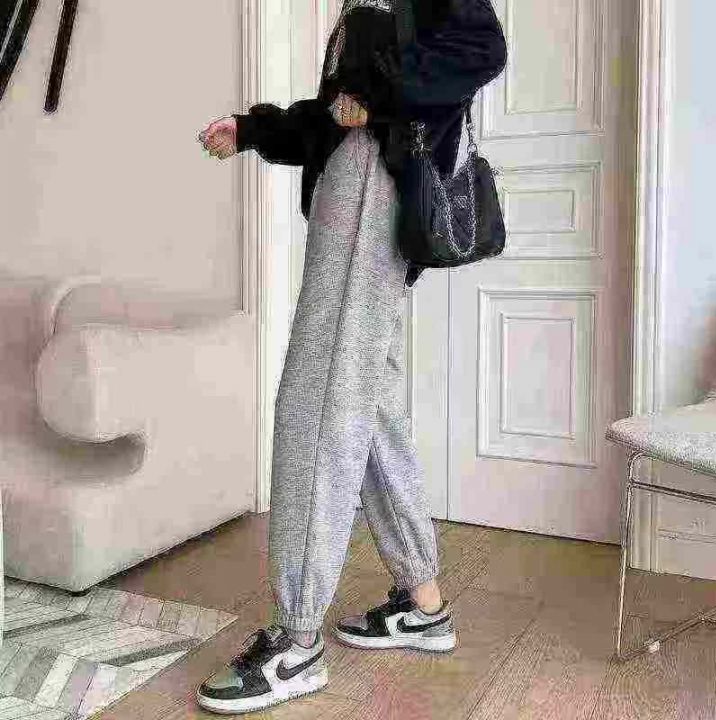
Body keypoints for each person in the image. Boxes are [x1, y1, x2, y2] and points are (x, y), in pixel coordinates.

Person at [195, 0, 507, 713]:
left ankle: (296, 642)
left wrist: (375, 91)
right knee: (368, 406)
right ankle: (423, 601)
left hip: (371, 194)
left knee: (318, 401)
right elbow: (337, 117)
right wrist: (253, 130)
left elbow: (480, 46)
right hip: (355, 188)